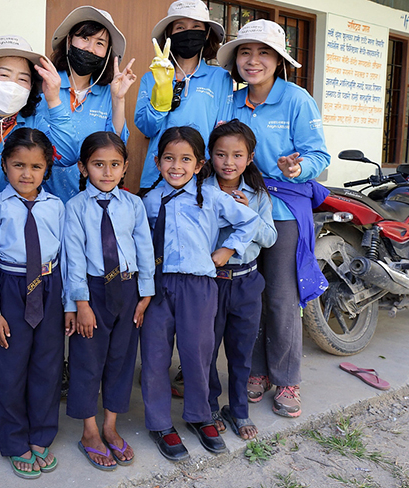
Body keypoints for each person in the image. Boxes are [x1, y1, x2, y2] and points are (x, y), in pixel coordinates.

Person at [217, 19, 331, 418]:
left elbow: (319, 155)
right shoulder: (231, 102)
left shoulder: (297, 99)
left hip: (282, 211)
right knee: (249, 294)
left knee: (281, 298)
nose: (253, 61)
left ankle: (287, 379)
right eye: (246, 52)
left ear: (278, 60)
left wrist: (296, 168)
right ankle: (257, 372)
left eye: (263, 53)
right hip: (240, 209)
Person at [141, 126, 260, 461]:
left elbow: (249, 222)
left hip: (199, 286)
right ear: (157, 161)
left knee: (197, 354)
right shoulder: (148, 201)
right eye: (169, 158)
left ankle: (199, 415)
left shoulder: (212, 197)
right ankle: (160, 423)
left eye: (185, 159)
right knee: (155, 356)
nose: (176, 166)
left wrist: (227, 250)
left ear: (199, 165)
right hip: (158, 285)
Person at [63, 132, 154, 469]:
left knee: (122, 359)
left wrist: (145, 294)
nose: (107, 172)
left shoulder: (133, 205)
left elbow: (144, 249)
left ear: (125, 167)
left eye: (115, 164)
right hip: (93, 291)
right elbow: (73, 258)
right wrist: (80, 304)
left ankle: (110, 426)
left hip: (128, 290)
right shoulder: (74, 207)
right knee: (87, 360)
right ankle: (89, 431)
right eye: (98, 164)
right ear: (83, 167)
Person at [0, 128, 65, 479]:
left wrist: (69, 303)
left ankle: (41, 434)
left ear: (47, 169)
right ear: (4, 165)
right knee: (8, 369)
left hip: (48, 285)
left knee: (48, 365)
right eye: (18, 165)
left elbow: (66, 255)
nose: (27, 174)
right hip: (10, 288)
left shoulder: (56, 207)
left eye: (36, 167)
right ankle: (15, 440)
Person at [204, 120, 277, 440]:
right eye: (221, 154)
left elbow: (270, 238)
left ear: (249, 158)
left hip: (246, 282)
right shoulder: (200, 191)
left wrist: (250, 215)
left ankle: (238, 409)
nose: (228, 162)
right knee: (206, 349)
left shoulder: (257, 195)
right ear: (210, 155)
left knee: (240, 352)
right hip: (211, 282)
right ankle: (208, 406)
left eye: (237, 155)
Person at [135, 0, 232, 191]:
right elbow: (147, 128)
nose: (188, 33)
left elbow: (223, 132)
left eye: (196, 27)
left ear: (206, 34)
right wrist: (160, 96)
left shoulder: (221, 78)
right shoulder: (151, 77)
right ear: (169, 35)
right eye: (180, 27)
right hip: (156, 179)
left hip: (202, 179)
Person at [0, 35, 77, 195]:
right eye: (4, 75)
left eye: (23, 79)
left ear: (31, 86)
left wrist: (54, 99)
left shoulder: (33, 123)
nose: (13, 85)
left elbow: (66, 156)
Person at [42, 6, 136, 202]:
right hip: (43, 199)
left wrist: (118, 100)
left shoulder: (108, 92)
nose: (90, 48)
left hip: (91, 202)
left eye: (100, 43)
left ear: (107, 53)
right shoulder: (46, 84)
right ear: (69, 41)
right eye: (85, 38)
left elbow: (116, 145)